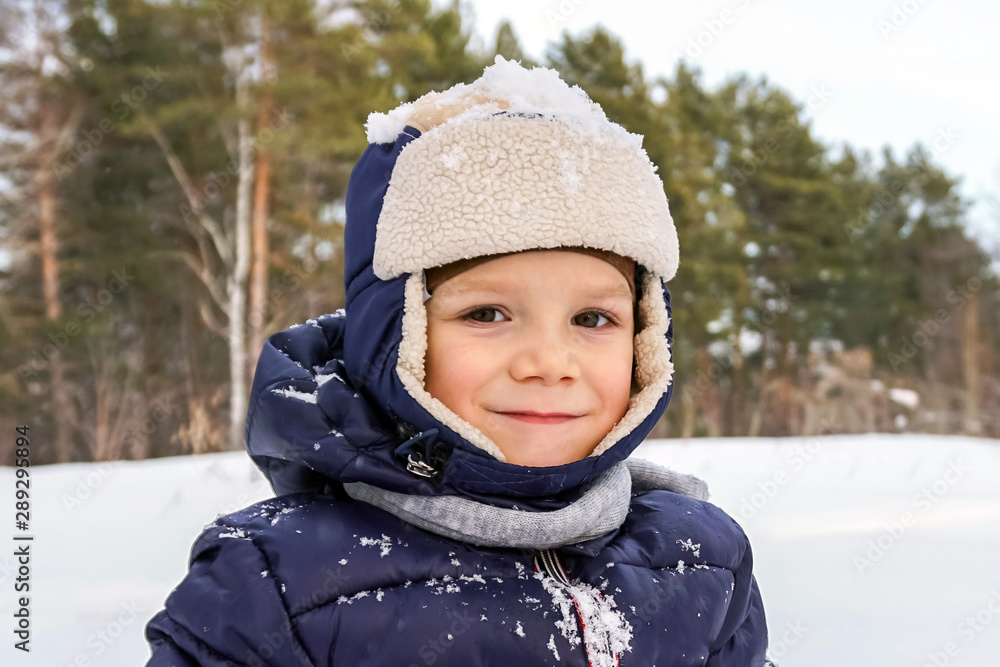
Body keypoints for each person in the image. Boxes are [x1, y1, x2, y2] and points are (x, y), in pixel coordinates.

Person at [144, 56, 772, 666]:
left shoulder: (702, 561)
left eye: (592, 319)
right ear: (394, 336)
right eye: (487, 315)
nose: (550, 363)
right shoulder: (276, 584)